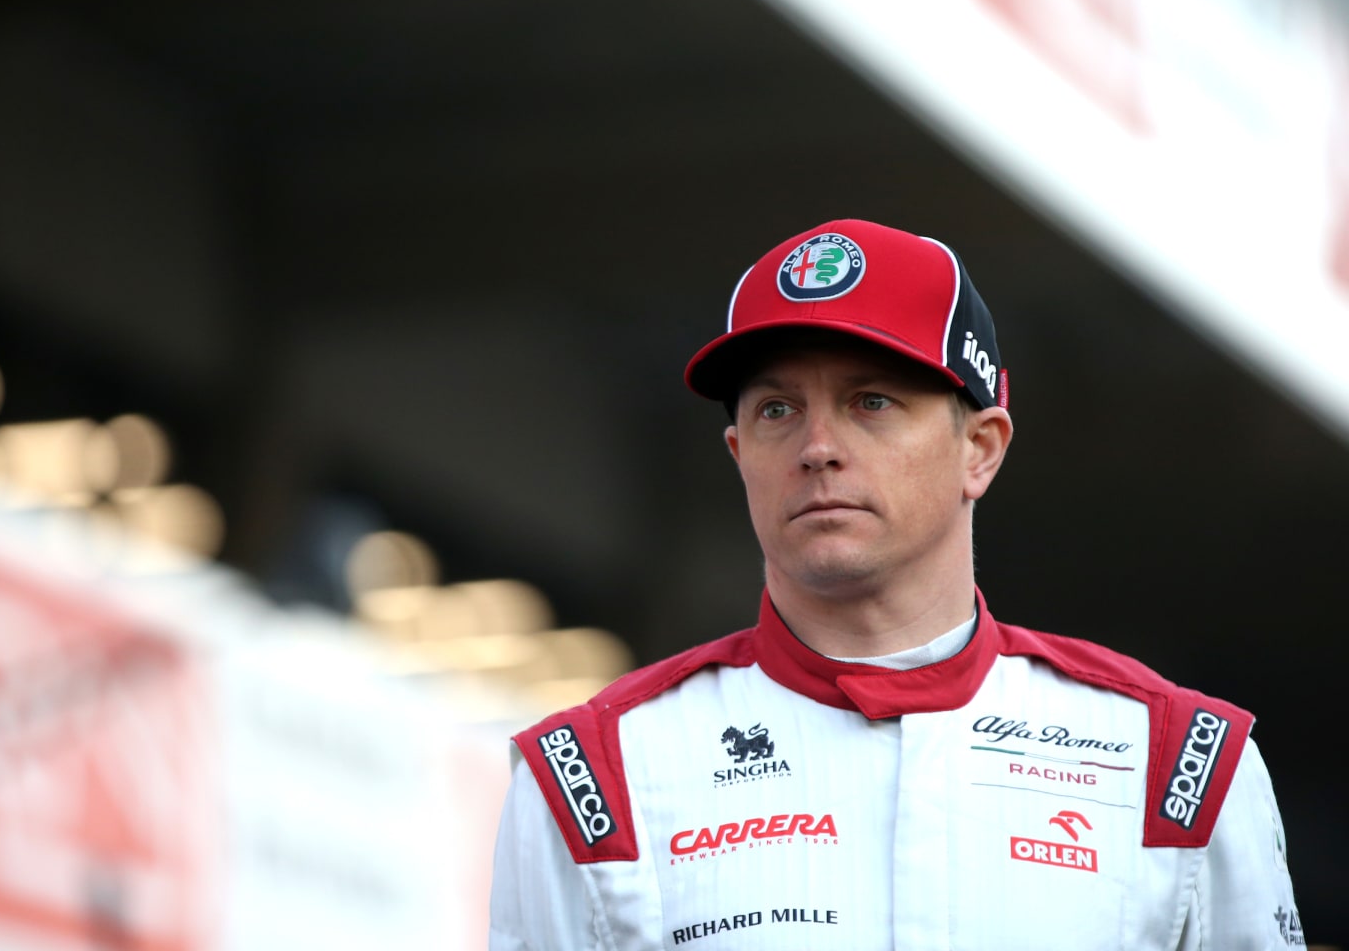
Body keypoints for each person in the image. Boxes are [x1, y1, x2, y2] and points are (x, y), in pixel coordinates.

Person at [488, 218, 1302, 950]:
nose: (818, 447)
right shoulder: (591, 773)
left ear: (980, 449)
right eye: (777, 410)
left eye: (870, 401)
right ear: (739, 455)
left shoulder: (1178, 763)